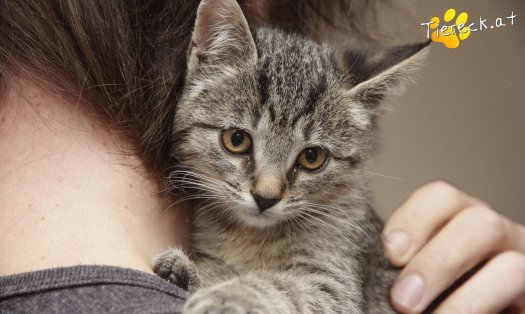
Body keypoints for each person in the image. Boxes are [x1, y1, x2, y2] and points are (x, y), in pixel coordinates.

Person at [0, 1, 523, 313]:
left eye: (312, 158)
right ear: (203, 62)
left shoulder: (337, 226)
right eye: (238, 142)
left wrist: (238, 297)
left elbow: (328, 301)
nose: (268, 189)